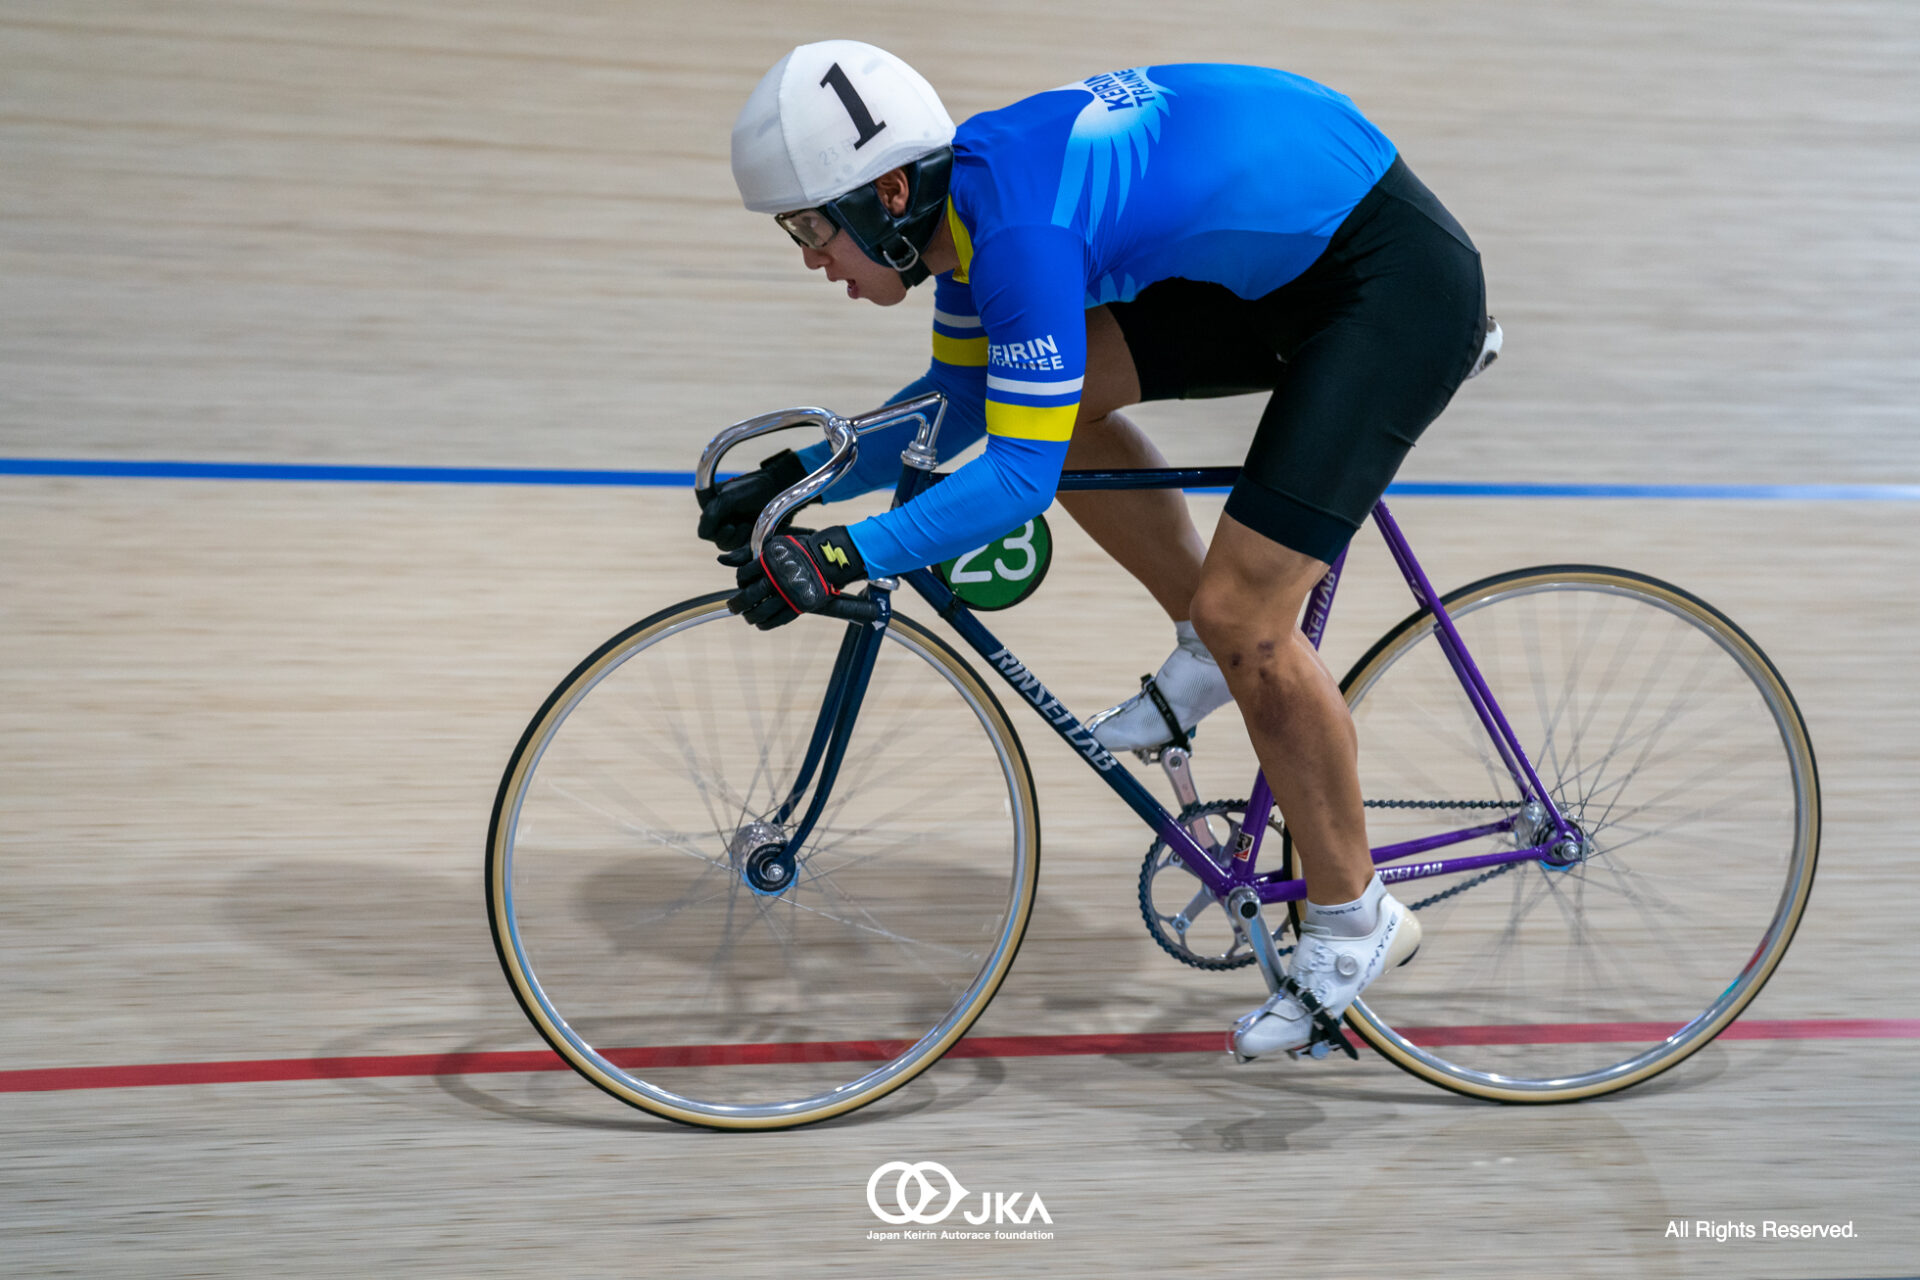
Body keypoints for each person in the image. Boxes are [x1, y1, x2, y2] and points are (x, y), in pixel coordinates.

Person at [702, 41, 1493, 1060]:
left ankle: (1353, 917)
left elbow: (1015, 479)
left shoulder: (1017, 233)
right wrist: (806, 470)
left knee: (1250, 618)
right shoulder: (964, 220)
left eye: (813, 228)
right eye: (794, 233)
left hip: (1387, 282)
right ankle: (1206, 649)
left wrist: (846, 555)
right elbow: (962, 405)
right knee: (1058, 413)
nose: (812, 256)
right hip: (1292, 258)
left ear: (887, 193)